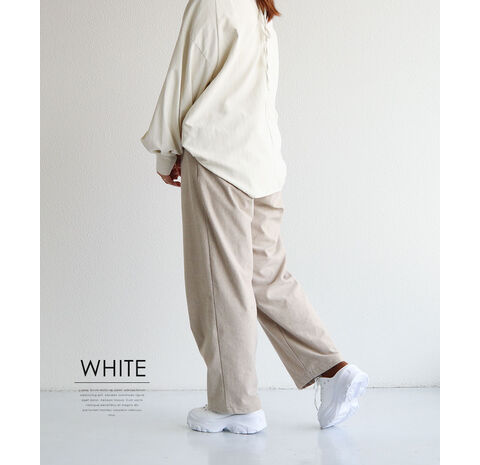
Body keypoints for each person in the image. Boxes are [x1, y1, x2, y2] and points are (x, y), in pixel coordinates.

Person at [141, 0, 368, 434]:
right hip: (262, 164)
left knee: (219, 284)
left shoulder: (213, 2)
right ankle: (333, 370)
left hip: (219, 160)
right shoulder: (258, 9)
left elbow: (183, 76)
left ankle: (235, 405)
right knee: (267, 277)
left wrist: (166, 152)